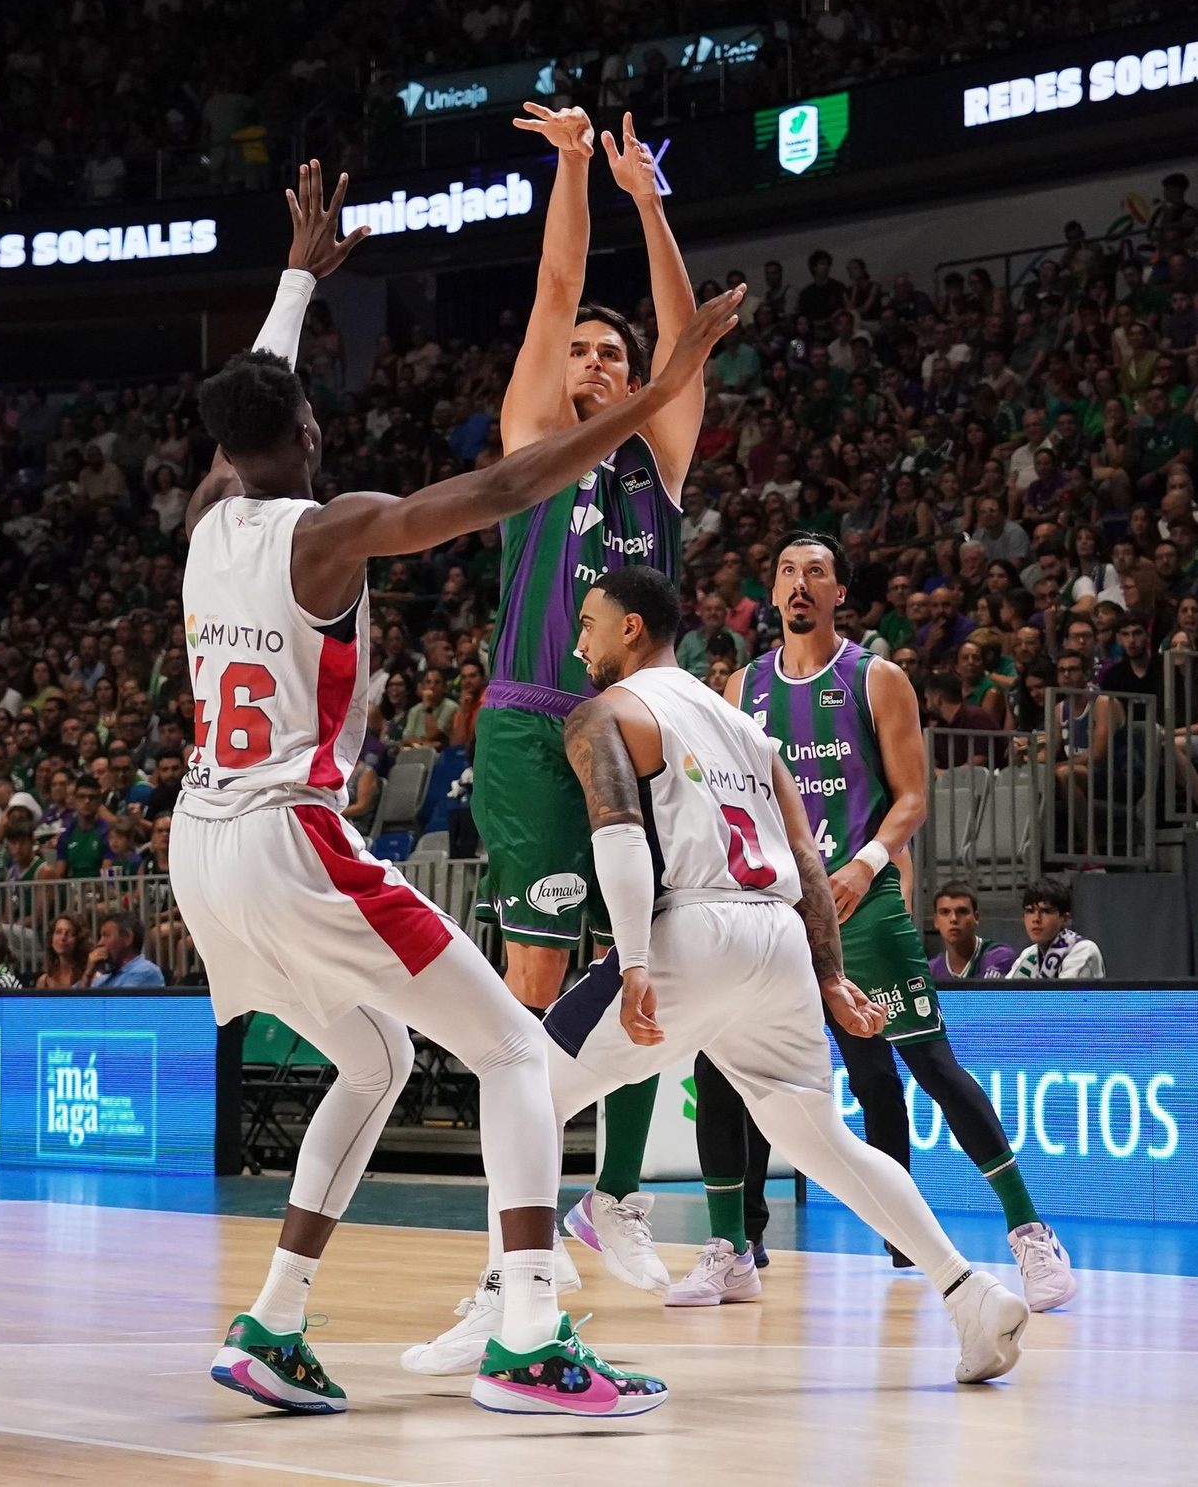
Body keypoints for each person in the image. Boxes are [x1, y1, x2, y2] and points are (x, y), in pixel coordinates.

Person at [173, 164, 737, 1417]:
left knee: (373, 1059)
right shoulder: (326, 530)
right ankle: (529, 1333)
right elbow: (492, 490)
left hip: (199, 843)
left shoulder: (209, 519)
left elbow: (249, 411)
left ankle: (273, 1321)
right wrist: (650, 394)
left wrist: (294, 282)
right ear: (307, 437)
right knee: (514, 1049)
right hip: (289, 837)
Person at [410, 566, 1028, 1382]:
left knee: (517, 1075)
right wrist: (829, 975)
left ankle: (511, 1297)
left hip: (694, 926)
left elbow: (619, 836)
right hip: (777, 938)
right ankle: (969, 1291)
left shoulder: (609, 711)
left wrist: (634, 959)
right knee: (822, 1139)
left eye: (589, 623)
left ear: (632, 627)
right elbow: (806, 856)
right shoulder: (746, 728)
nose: (579, 642)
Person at [691, 532, 1072, 1310]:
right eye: (787, 571)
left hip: (861, 902)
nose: (800, 582)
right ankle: (732, 1247)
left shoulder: (877, 677)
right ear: (772, 592)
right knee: (722, 1065)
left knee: (930, 1062)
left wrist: (866, 863)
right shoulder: (739, 687)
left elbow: (913, 796)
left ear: (840, 592)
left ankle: (1030, 1231)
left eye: (816, 572)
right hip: (772, 909)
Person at [469, 104, 714, 1288]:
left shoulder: (655, 469)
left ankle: (613, 1199)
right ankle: (510, 1235)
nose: (599, 363)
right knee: (533, 982)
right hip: (531, 724)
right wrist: (570, 169)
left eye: (614, 356)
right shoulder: (531, 443)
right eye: (583, 354)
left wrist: (649, 204)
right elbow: (556, 286)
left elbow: (685, 345)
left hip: (638, 733)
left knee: (646, 958)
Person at [1008, 880, 1105, 979]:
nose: (1036, 919)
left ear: (1065, 919)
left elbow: (1063, 989)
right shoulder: (1028, 954)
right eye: (1030, 911)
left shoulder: (1083, 950)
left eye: (1045, 911)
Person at [928, 883, 1017, 981]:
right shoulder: (930, 970)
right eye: (945, 912)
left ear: (976, 918)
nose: (953, 919)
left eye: (962, 911)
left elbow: (983, 991)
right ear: (936, 921)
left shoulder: (999, 956)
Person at [82, 911, 165, 988]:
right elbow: (79, 999)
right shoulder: (104, 979)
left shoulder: (146, 971)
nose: (100, 943)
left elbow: (117, 999)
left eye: (106, 935)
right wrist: (88, 973)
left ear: (127, 938)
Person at [36, 910, 90, 988]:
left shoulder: (92, 976)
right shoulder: (43, 981)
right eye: (58, 932)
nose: (63, 938)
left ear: (80, 939)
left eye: (69, 933)